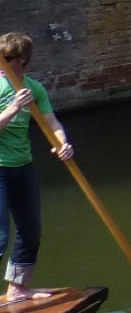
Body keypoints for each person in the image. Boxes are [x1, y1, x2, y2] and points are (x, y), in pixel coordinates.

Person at [0, 32, 74, 305]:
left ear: (22, 60)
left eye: (7, 58)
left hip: (23, 166)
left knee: (31, 231)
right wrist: (13, 107)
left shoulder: (35, 88)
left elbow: (52, 123)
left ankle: (17, 288)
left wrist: (63, 143)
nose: (2, 63)